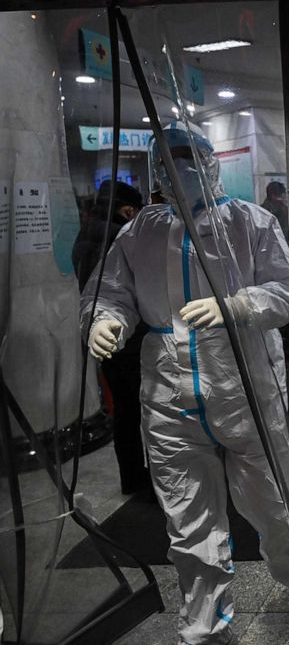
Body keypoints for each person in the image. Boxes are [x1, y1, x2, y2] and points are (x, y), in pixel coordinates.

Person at [81, 122, 289, 644]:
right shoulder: (138, 232)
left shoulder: (249, 222)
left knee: (277, 505)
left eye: (187, 155)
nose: (178, 165)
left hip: (246, 390)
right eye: (168, 157)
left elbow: (288, 290)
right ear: (155, 169)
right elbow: (108, 291)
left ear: (209, 163)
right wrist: (103, 320)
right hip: (170, 398)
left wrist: (237, 305)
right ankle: (206, 622)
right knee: (188, 520)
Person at [73, 180, 152, 495]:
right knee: (140, 410)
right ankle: (142, 479)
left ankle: (132, 476)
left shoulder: (86, 233)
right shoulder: (119, 237)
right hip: (126, 339)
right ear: (127, 209)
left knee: (124, 409)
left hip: (101, 335)